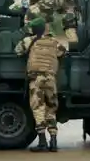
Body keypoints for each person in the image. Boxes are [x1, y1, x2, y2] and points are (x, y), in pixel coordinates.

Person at [15, 17, 67, 152]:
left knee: (38, 108)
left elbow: (18, 51)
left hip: (36, 80)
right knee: (51, 109)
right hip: (50, 79)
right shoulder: (54, 42)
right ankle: (54, 142)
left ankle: (42, 142)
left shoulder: (29, 41)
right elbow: (63, 52)